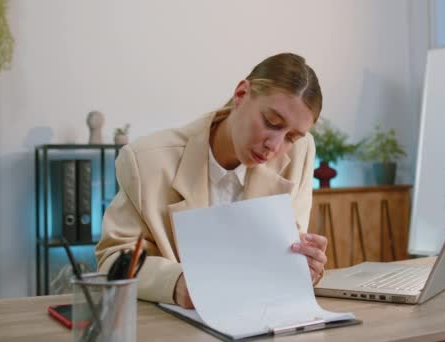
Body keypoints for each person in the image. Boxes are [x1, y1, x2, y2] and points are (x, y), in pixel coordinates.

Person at [95, 53, 328, 309]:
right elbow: (113, 260)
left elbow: (289, 248)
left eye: (291, 137)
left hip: (261, 318)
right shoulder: (146, 161)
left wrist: (305, 266)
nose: (275, 145)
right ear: (241, 95)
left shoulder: (300, 152)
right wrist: (176, 284)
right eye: (271, 122)